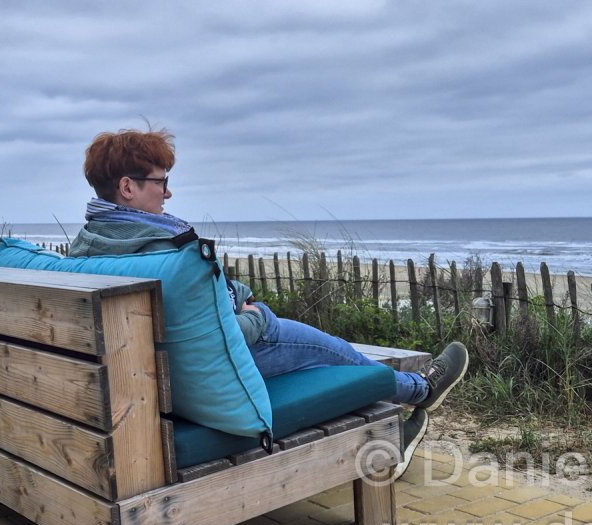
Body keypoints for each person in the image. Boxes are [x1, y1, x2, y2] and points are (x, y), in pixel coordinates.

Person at [69, 127, 469, 477]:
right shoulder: (165, 248)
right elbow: (218, 337)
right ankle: (420, 389)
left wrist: (237, 296)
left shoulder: (86, 248)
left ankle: (407, 401)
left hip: (146, 381)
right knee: (332, 354)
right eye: (161, 181)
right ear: (128, 187)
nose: (168, 191)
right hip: (217, 366)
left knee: (326, 355)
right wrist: (256, 315)